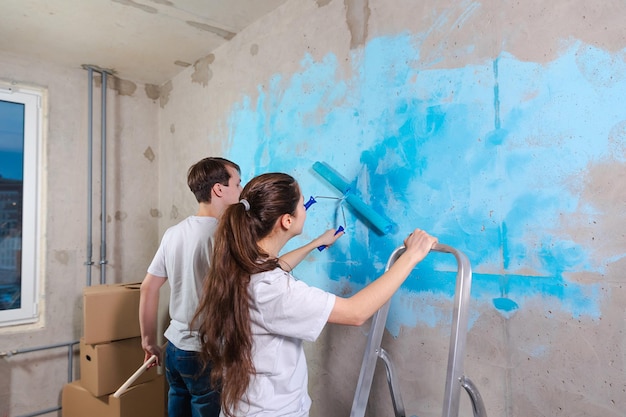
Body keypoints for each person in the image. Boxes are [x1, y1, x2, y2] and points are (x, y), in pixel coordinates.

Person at [193, 172, 438, 417]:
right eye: (302, 203)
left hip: (245, 407)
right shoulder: (273, 289)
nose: (305, 208)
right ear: (287, 221)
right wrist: (411, 256)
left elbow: (277, 266)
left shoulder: (242, 263)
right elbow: (356, 313)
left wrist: (315, 243)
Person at [139, 157, 243, 417]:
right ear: (219, 189)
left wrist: (149, 341)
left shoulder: (173, 233)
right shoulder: (224, 235)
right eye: (238, 184)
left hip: (174, 348)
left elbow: (148, 288)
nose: (242, 191)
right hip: (204, 352)